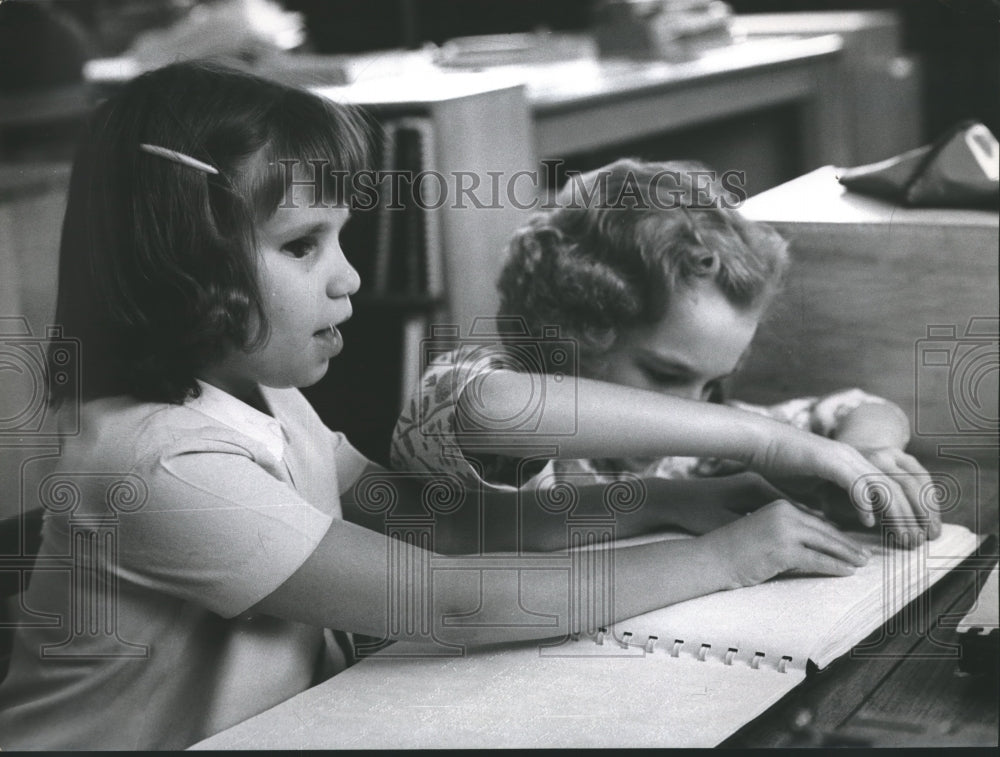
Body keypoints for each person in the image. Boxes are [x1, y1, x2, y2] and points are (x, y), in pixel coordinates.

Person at [0, 65, 918, 750]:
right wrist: (724, 555)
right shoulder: (160, 461)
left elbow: (443, 525)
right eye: (302, 245)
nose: (350, 277)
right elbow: (445, 598)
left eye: (342, 239)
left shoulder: (263, 397)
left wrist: (661, 502)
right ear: (183, 261)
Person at [391, 158, 941, 539]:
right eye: (663, 372)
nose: (695, 407)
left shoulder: (690, 449)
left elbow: (861, 406)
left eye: (711, 383)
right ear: (570, 328)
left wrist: (867, 453)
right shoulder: (474, 388)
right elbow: (490, 408)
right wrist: (763, 443)